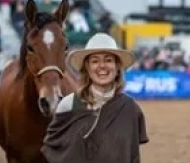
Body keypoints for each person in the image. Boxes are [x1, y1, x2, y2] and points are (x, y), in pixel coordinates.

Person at [41, 33, 147, 163]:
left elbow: (132, 155)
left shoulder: (130, 108)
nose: (102, 66)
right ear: (87, 67)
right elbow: (53, 151)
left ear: (117, 67)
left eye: (108, 60)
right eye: (95, 61)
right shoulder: (68, 105)